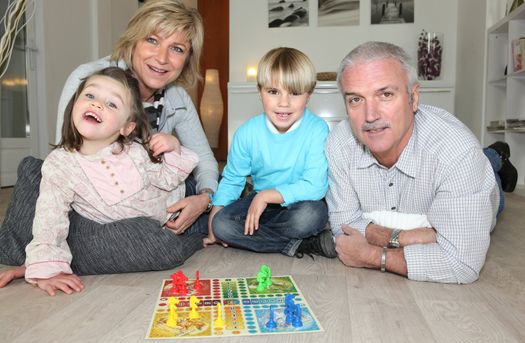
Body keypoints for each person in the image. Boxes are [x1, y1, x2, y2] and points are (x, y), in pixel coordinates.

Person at [0, 0, 217, 277]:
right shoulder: (90, 79)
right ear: (133, 41)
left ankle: (58, 253)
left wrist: (204, 200)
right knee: (37, 172)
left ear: (187, 59)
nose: (162, 58)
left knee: (194, 184)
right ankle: (48, 254)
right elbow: (71, 157)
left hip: (144, 192)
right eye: (152, 40)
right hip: (89, 195)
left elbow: (204, 160)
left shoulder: (178, 99)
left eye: (177, 49)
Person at [0, 67, 199, 295]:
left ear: (127, 127)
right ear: (74, 103)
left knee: (223, 218)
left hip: (180, 203)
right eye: (90, 95)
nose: (97, 104)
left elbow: (168, 179)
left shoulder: (134, 151)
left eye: (112, 104)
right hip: (143, 229)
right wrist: (46, 269)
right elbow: (49, 218)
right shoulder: (61, 164)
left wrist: (173, 148)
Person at [326, 41, 500, 284]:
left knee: (491, 171)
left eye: (385, 95)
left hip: (482, 187)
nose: (370, 116)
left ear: (413, 98)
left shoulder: (458, 153)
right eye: (356, 100)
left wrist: (373, 255)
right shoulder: (339, 143)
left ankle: (497, 157)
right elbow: (343, 225)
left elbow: (461, 263)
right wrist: (405, 238)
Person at [204, 47, 336, 259]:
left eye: (294, 93)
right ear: (260, 91)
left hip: (299, 203)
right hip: (260, 205)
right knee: (222, 225)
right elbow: (232, 178)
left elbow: (315, 186)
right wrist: (216, 214)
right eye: (273, 92)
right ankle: (304, 244)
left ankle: (269, 236)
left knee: (312, 215)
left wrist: (267, 195)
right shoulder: (247, 133)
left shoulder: (317, 129)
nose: (284, 103)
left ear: (309, 95)